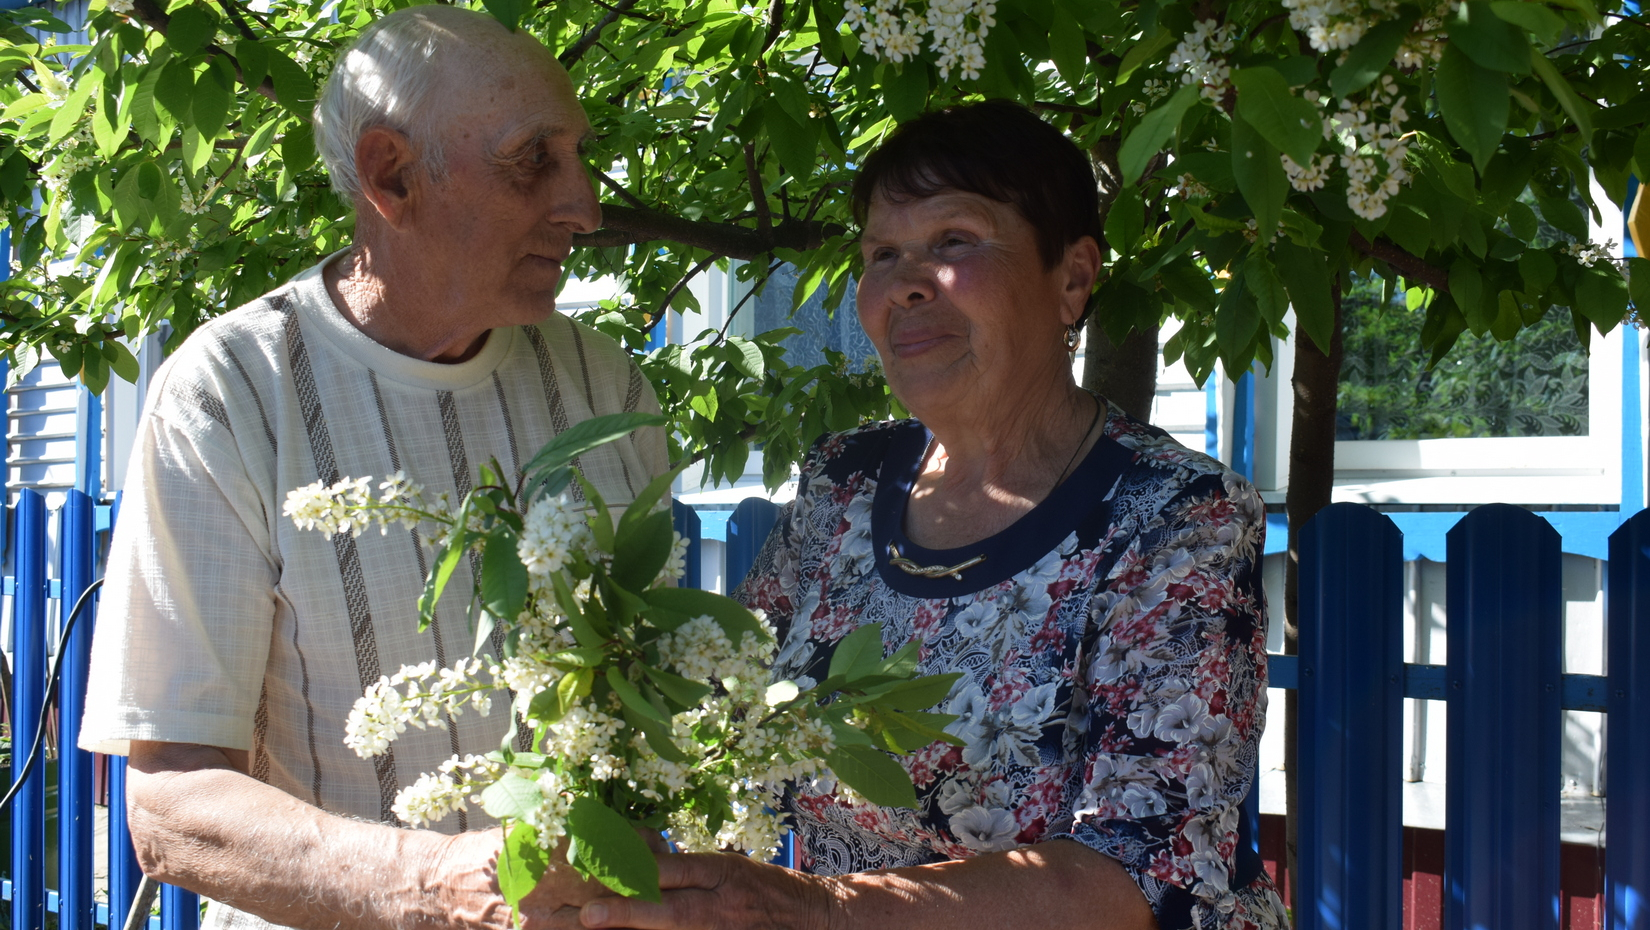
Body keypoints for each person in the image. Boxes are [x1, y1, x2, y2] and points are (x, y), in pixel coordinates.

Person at [562, 100, 1288, 930]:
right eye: (882, 253)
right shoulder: (845, 485)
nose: (906, 281)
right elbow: (717, 715)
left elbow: (1146, 870)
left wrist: (813, 909)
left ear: (1074, 278)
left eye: (953, 242)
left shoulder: (1175, 514)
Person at [76, 8, 667, 930]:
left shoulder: (607, 386)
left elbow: (655, 704)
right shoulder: (234, 392)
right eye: (534, 160)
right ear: (390, 174)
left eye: (580, 156)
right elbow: (169, 802)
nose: (584, 206)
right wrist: (436, 887)